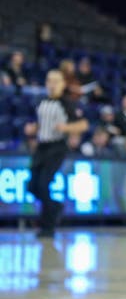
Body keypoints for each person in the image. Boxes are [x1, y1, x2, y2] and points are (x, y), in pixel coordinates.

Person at [27, 69, 88, 238]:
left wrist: (66, 128)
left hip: (57, 147)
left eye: (56, 81)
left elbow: (83, 125)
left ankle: (48, 226)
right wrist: (34, 129)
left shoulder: (67, 103)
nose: (52, 84)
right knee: (32, 186)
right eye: (49, 80)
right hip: (41, 147)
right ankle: (55, 206)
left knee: (44, 184)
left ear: (62, 84)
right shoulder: (41, 102)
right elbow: (41, 123)